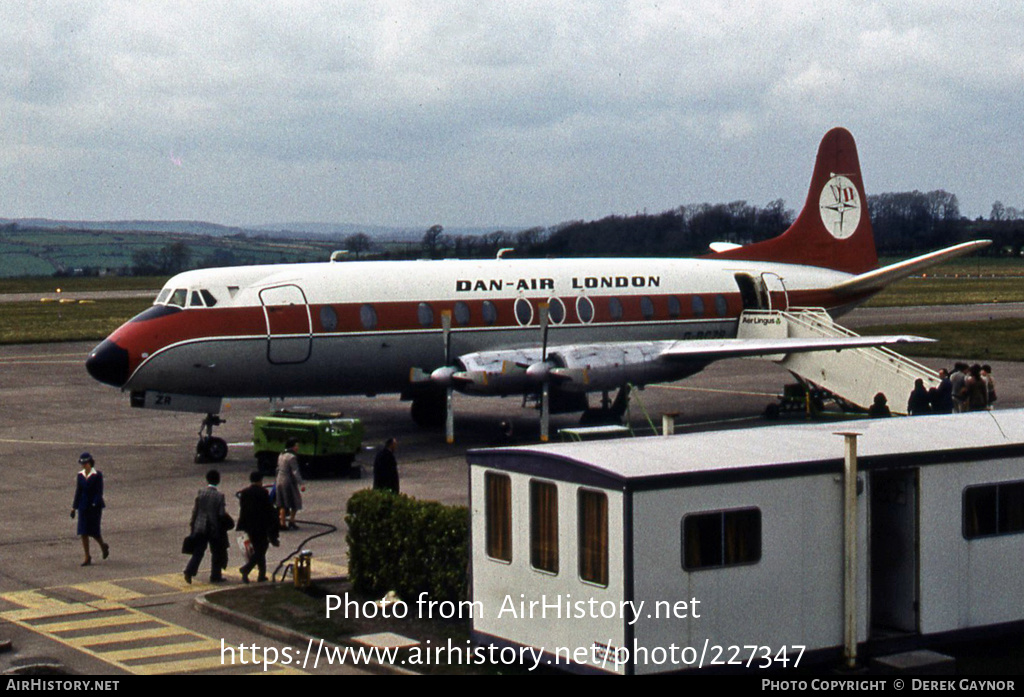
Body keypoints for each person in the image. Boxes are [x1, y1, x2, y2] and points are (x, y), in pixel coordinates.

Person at [184, 469, 231, 584]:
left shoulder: (201, 492)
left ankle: (189, 571)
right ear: (218, 481)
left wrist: (193, 525)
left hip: (200, 526)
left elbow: (195, 510)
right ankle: (215, 576)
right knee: (216, 552)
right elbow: (221, 514)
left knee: (198, 551)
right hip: (213, 528)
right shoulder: (219, 496)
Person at [237, 471, 280, 583]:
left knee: (258, 549)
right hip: (260, 525)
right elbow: (267, 510)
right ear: (260, 480)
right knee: (262, 549)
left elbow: (243, 508)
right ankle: (246, 569)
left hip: (248, 526)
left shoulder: (244, 492)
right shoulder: (263, 492)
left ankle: (261, 575)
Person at [71, 453, 109, 566]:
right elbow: (78, 492)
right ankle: (87, 556)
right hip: (83, 506)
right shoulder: (80, 475)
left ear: (90, 463)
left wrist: (95, 503)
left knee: (94, 531)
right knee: (83, 532)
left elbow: (99, 491)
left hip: (94, 507)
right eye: (82, 464)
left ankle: (103, 546)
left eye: (86, 463)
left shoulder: (97, 475)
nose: (84, 466)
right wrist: (74, 507)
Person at [275, 438, 304, 530]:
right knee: (295, 501)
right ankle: (291, 521)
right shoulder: (292, 457)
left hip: (279, 480)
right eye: (296, 446)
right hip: (288, 481)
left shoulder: (281, 455)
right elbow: (295, 471)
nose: (297, 447)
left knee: (282, 503)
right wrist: (301, 483)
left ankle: (282, 523)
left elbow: (278, 469)